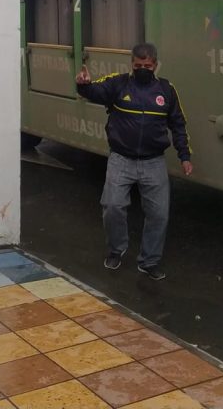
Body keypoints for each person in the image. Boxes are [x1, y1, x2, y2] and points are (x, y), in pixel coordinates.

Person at [75, 42, 192, 281]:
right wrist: (83, 84)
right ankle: (116, 249)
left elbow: (178, 125)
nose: (142, 69)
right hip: (121, 160)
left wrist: (184, 156)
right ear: (132, 64)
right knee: (112, 207)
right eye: (138, 65)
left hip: (154, 162)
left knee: (159, 214)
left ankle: (149, 262)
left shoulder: (167, 91)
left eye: (147, 66)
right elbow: (93, 91)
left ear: (155, 65)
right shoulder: (118, 84)